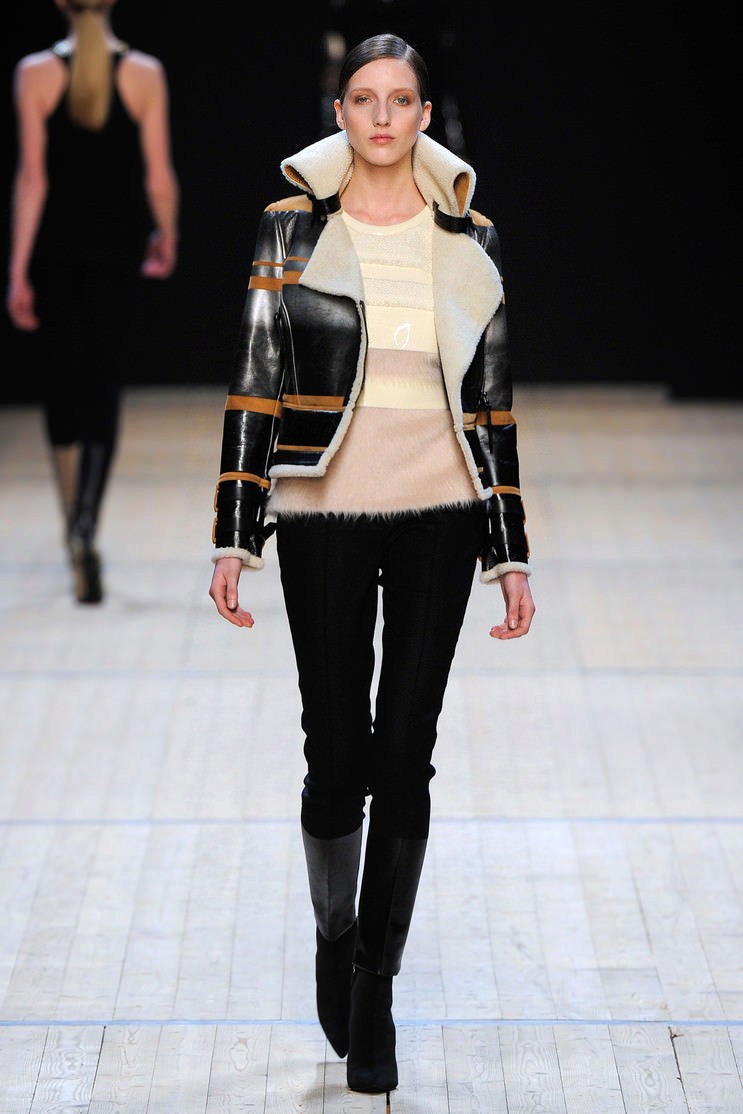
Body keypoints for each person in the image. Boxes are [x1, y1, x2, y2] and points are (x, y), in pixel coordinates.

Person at [209, 33, 534, 1095]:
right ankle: (334, 928)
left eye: (400, 100)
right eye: (364, 99)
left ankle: (375, 981)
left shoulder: (469, 234)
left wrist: (509, 551)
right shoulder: (290, 225)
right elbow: (255, 380)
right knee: (334, 753)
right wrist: (234, 529)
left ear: (425, 114)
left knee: (405, 756)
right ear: (340, 110)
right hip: (322, 510)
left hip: (440, 508)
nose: (383, 117)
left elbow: (490, 405)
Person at [7, 0, 179, 603]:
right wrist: (167, 233)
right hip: (116, 252)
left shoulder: (35, 73)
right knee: (103, 387)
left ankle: (72, 529)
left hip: (55, 253)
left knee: (61, 387)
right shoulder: (144, 74)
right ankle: (86, 522)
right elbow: (157, 173)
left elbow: (33, 178)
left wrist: (17, 269)